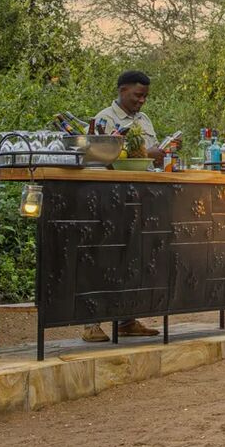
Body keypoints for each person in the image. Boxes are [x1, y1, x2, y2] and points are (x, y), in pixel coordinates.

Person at [83, 70, 169, 343]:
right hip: (109, 197)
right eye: (137, 95)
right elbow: (104, 157)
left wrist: (159, 155)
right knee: (103, 258)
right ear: (122, 91)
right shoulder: (104, 120)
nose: (141, 101)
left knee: (132, 259)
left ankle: (126, 320)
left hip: (139, 196)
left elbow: (151, 154)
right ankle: (91, 322)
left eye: (145, 97)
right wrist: (145, 153)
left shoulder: (143, 120)